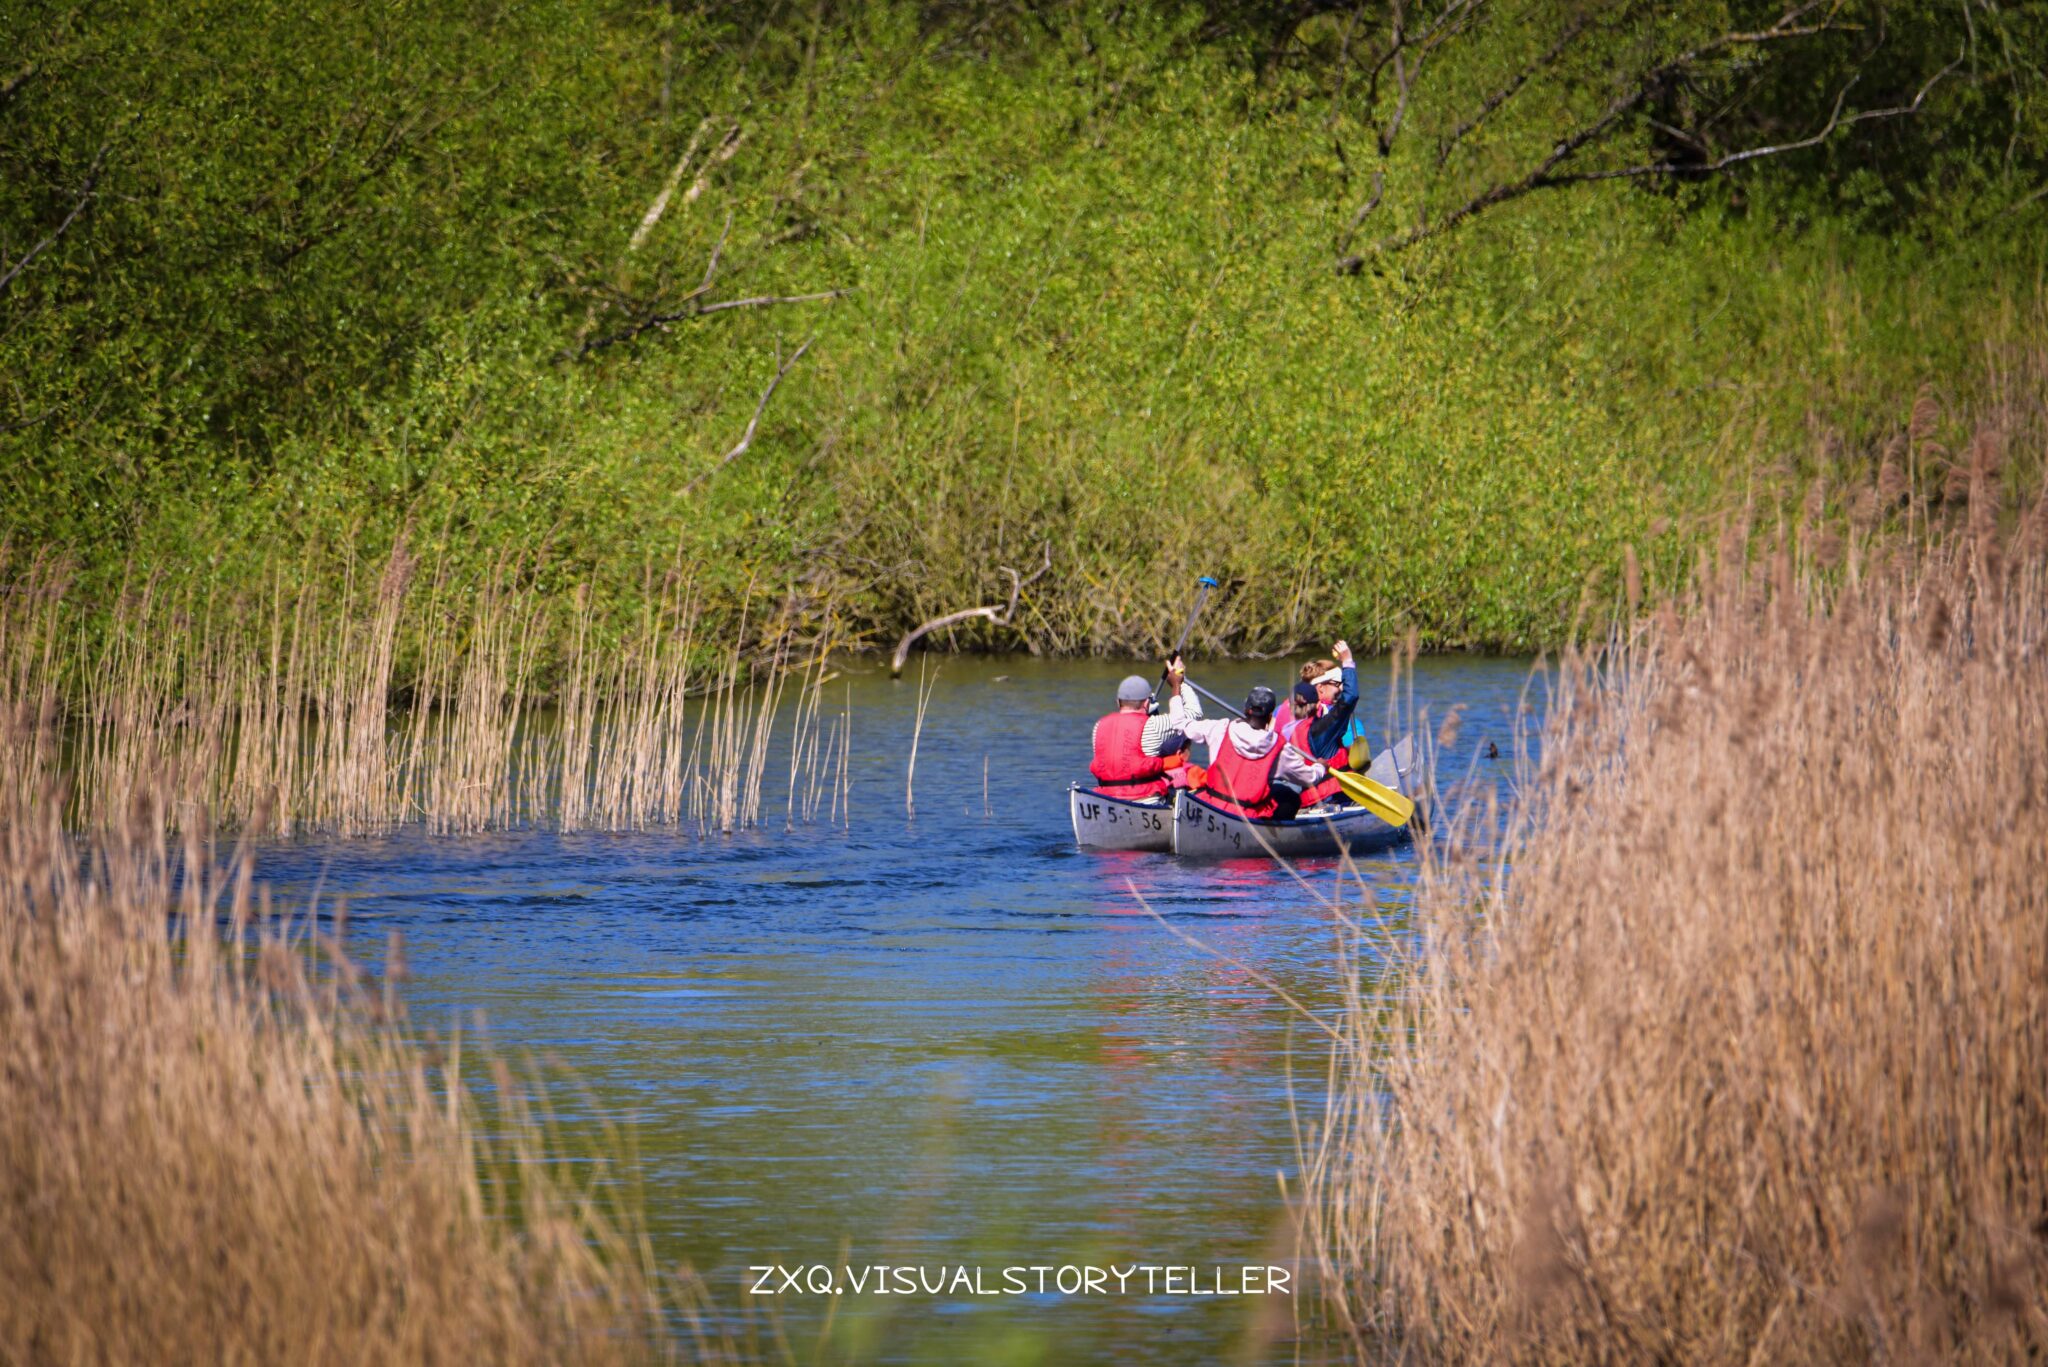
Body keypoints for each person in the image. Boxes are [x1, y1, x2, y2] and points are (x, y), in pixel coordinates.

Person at [1180, 685, 1328, 820]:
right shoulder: (1279, 748)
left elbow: (1182, 724)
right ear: (1270, 716)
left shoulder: (1220, 728)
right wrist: (1321, 767)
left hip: (1213, 807)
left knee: (1279, 788)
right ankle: (1275, 839)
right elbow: (1309, 778)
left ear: (1246, 710)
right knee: (1290, 796)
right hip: (1247, 815)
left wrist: (1176, 688)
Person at [1088, 658, 1199, 800]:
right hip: (1145, 798)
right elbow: (1193, 714)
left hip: (1106, 798)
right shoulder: (1154, 725)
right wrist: (1179, 681)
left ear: (1118, 702)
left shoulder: (1099, 726)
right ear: (1147, 702)